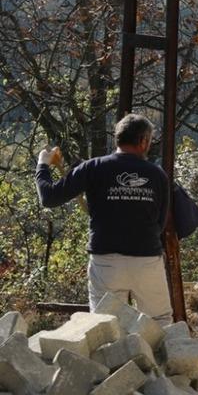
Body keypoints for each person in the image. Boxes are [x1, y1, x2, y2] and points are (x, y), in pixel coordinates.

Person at [35, 114, 172, 324]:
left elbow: (49, 198)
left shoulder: (93, 167)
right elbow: (160, 223)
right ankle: (165, 357)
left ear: (118, 138)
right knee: (159, 323)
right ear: (143, 141)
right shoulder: (157, 175)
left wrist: (42, 165)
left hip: (106, 262)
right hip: (147, 260)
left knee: (106, 328)